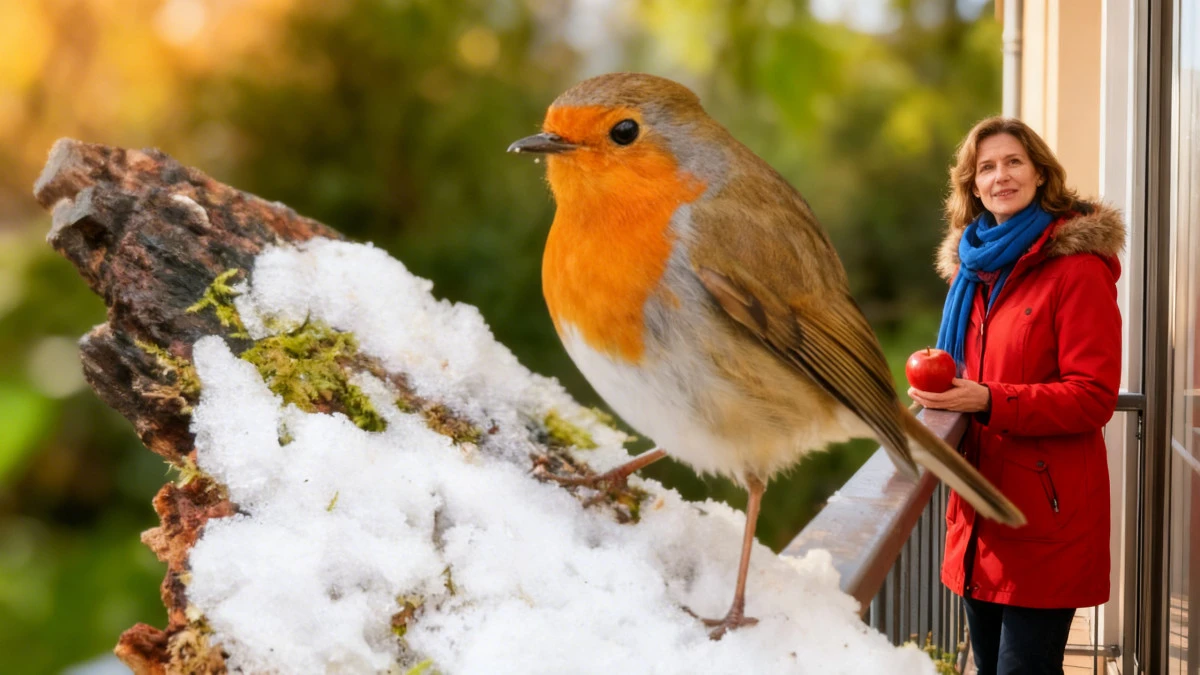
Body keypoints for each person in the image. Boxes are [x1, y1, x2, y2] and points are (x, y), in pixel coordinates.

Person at [907, 116, 1125, 674]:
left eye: (1013, 162)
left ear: (1039, 174)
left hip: (1044, 520)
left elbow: (1093, 396)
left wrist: (984, 399)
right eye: (986, 167)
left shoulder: (1076, 269)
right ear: (971, 186)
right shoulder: (973, 274)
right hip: (979, 517)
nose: (1000, 176)